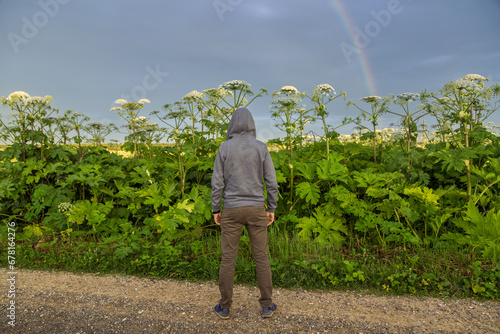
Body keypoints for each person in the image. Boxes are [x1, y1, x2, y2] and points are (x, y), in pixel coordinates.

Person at [211, 107, 279, 319]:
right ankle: (267, 305)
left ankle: (225, 307)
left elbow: (217, 183)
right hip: (257, 208)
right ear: (251, 124)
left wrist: (216, 208)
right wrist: (271, 207)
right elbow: (272, 182)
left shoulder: (224, 147)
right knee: (261, 257)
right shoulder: (261, 148)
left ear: (232, 124)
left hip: (231, 208)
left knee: (228, 258)